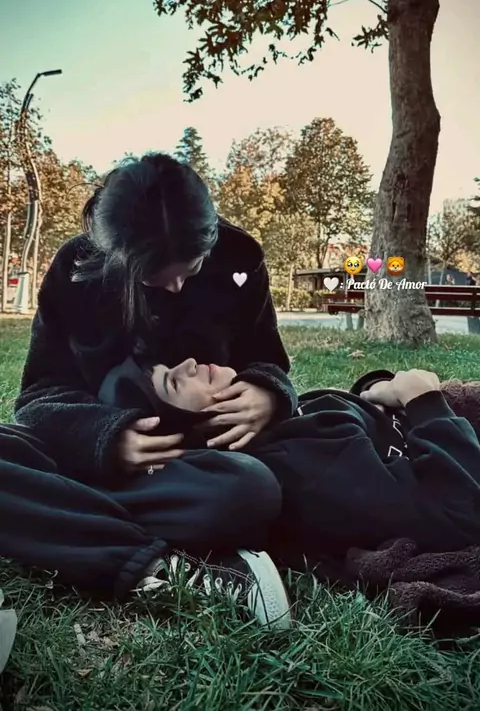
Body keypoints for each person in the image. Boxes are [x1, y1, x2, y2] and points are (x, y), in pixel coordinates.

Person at [3, 152, 298, 627]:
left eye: (192, 268)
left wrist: (269, 393)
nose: (177, 287)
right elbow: (38, 398)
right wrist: (106, 437)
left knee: (251, 490)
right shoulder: (75, 269)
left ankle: (49, 514)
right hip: (80, 463)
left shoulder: (240, 257)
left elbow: (268, 360)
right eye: (153, 276)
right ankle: (159, 567)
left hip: (194, 472)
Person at [97, 356, 480, 570]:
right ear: (186, 432)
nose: (189, 363)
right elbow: (461, 513)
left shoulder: (281, 427)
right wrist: (424, 401)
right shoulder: (312, 470)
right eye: (174, 383)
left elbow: (352, 419)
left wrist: (375, 390)